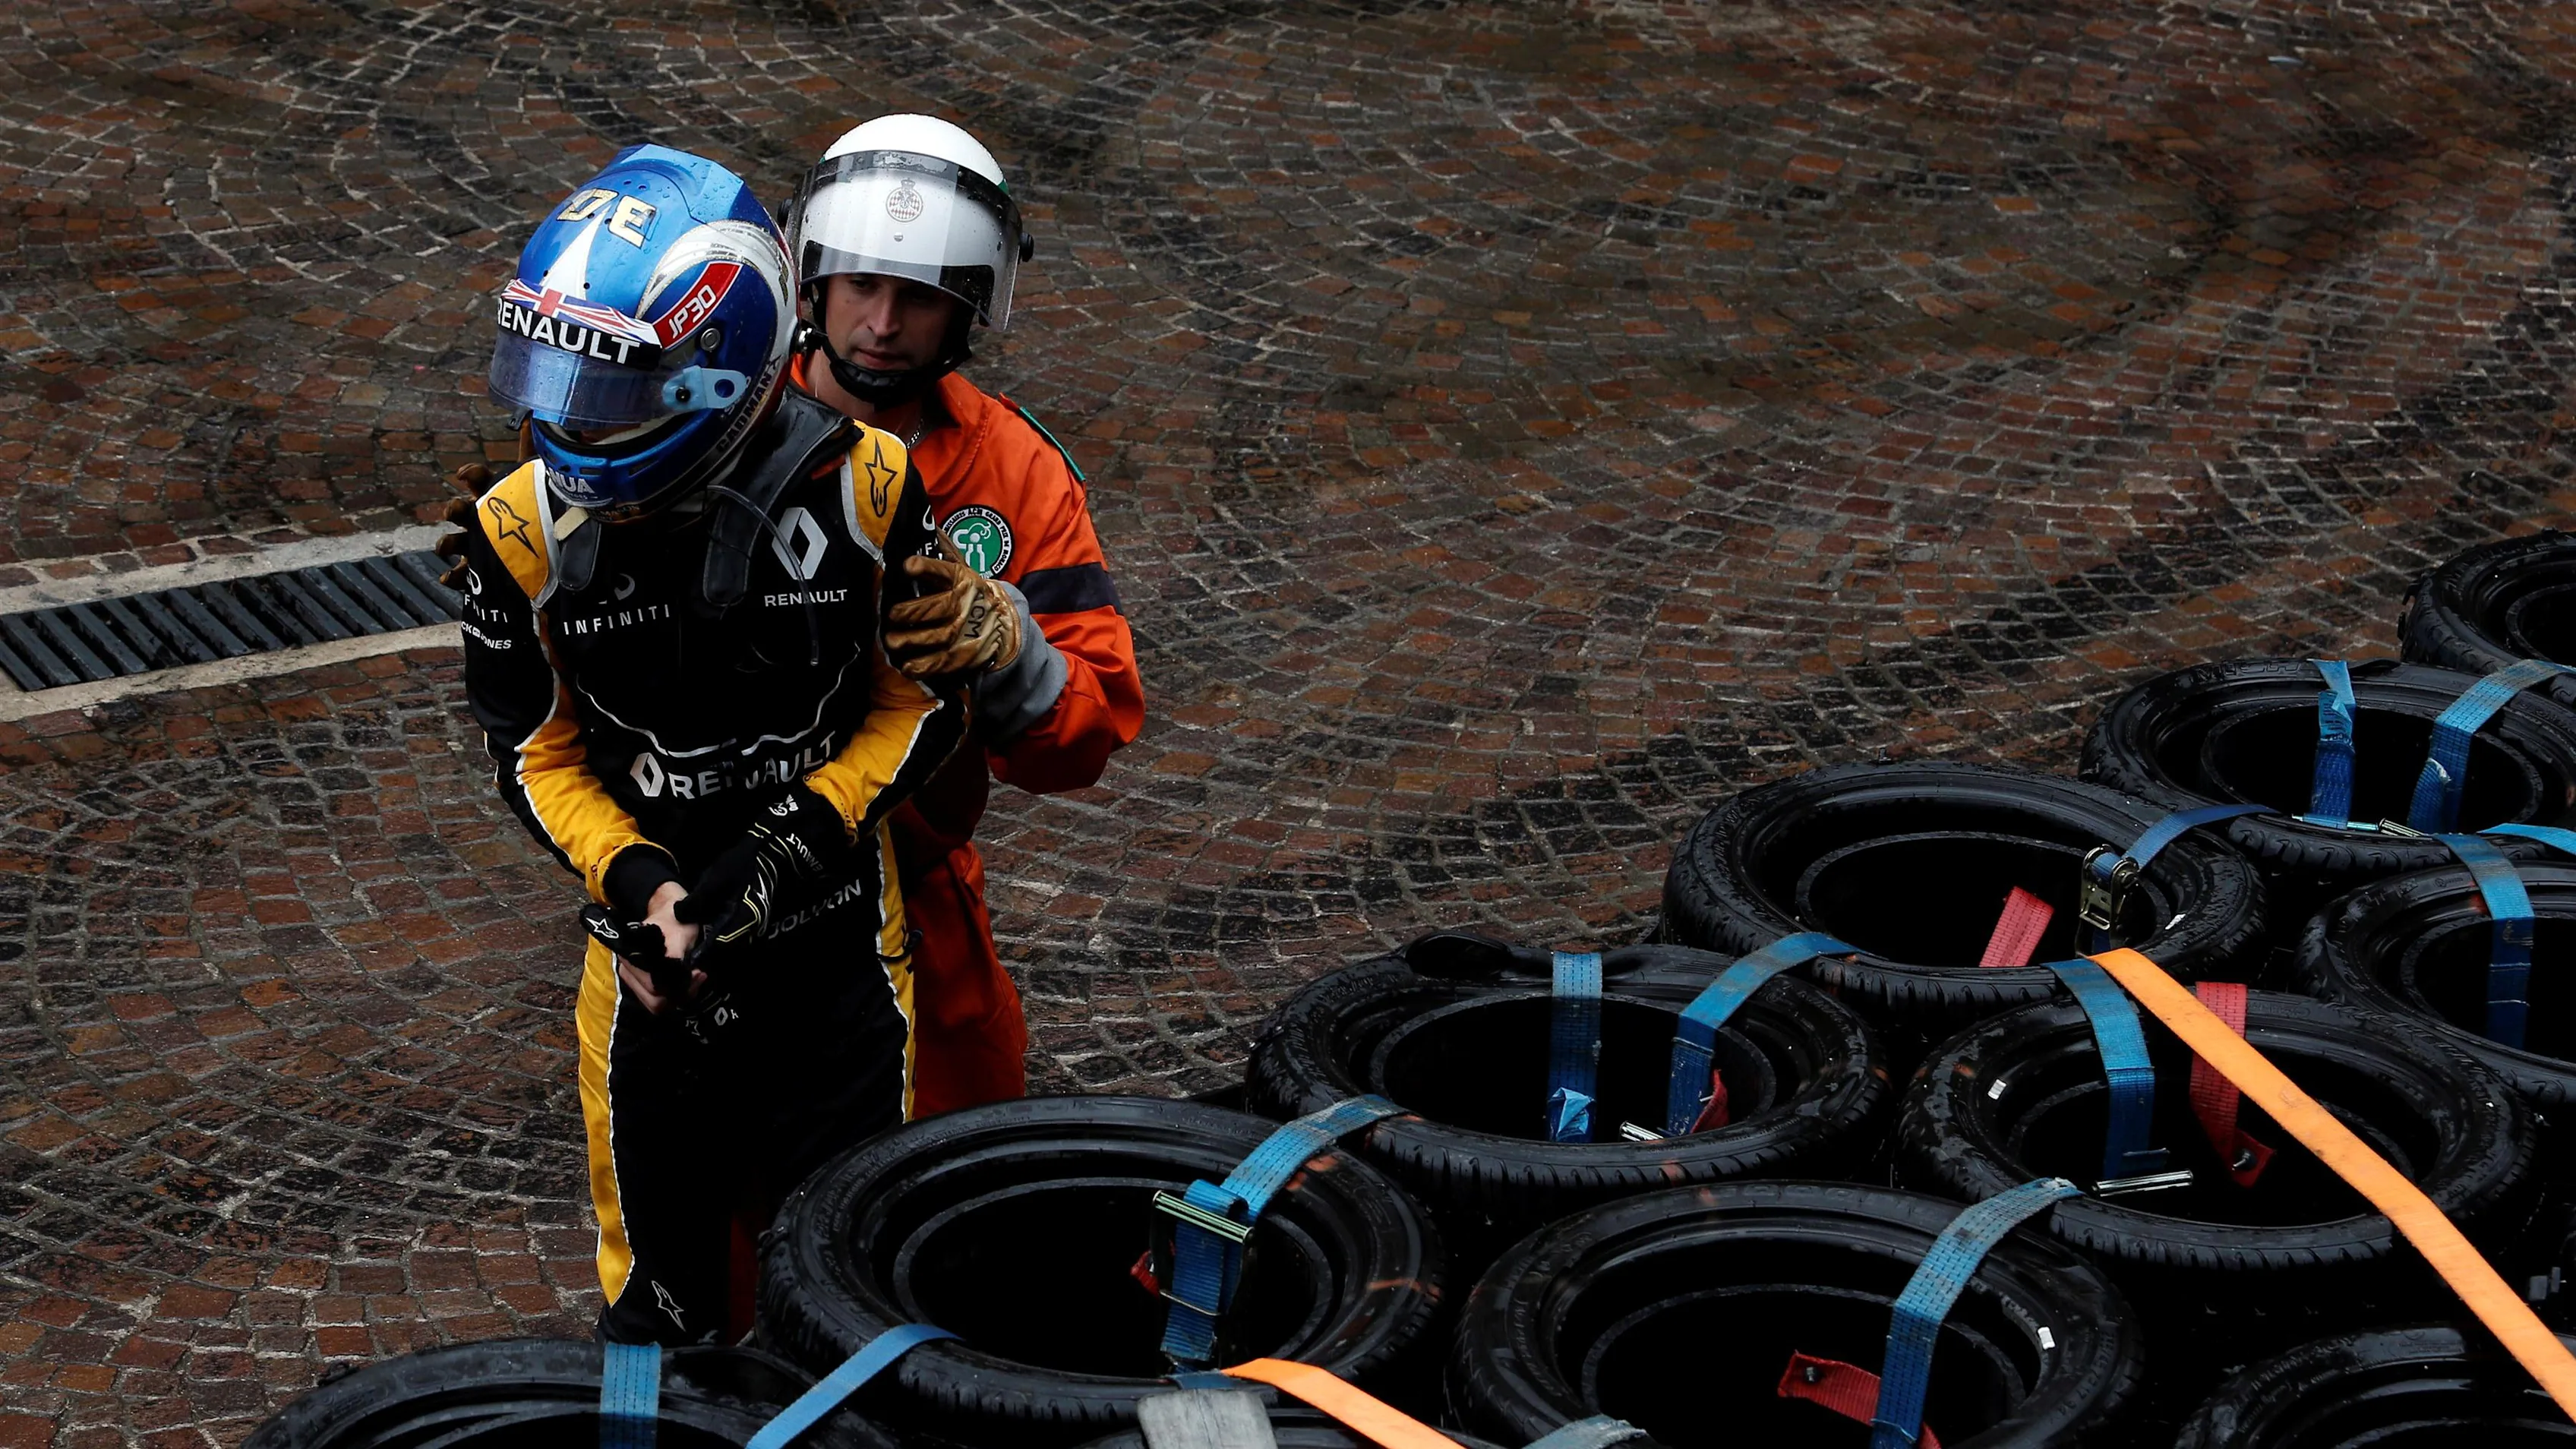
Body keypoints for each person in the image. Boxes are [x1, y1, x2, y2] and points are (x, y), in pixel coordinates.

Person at [446, 143, 961, 1345]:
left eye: (613, 386)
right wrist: (645, 886)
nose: (572, 417)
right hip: (646, 980)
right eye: (561, 371)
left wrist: (784, 847)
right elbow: (536, 754)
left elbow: (919, 706)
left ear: (714, 373)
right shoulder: (513, 531)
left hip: (840, 964)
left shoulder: (870, 487)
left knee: (852, 1300)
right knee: (656, 1316)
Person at [784, 115, 1144, 1115]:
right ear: (813, 280)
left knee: (952, 1187)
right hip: (731, 878)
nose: (883, 324)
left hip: (911, 883)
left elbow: (1087, 729)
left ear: (970, 309)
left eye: (918, 298)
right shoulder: (719, 414)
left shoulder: (1014, 471)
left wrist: (1013, 650)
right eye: (862, 285)